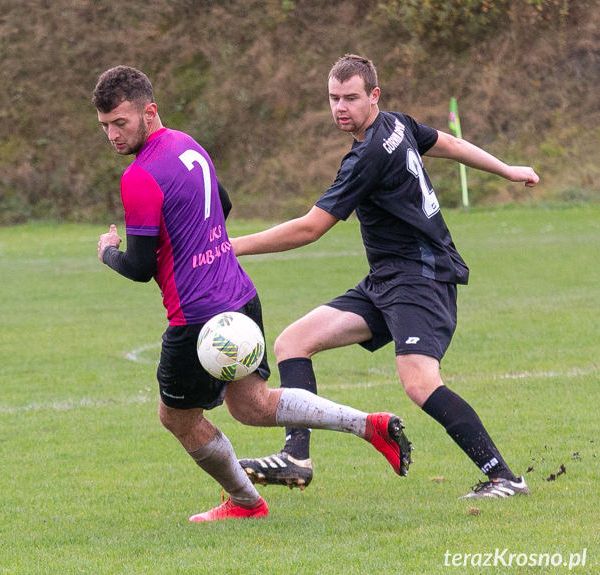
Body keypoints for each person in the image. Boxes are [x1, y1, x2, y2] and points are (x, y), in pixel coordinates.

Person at [92, 65, 413, 522]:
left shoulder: (139, 177)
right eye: (104, 127)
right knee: (252, 404)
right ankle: (368, 425)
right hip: (238, 294)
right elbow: (221, 204)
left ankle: (246, 503)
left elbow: (140, 267)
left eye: (120, 123)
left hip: (197, 316)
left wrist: (108, 251)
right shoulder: (187, 145)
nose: (113, 136)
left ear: (149, 111)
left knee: (176, 419)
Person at [233, 54, 539, 499]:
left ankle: (504, 478)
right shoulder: (396, 125)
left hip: (420, 278)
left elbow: (310, 228)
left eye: (351, 98)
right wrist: (507, 169)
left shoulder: (368, 155)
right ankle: (296, 457)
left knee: (419, 383)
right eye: (334, 98)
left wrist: (230, 245)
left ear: (373, 96)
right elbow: (447, 143)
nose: (341, 107)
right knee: (293, 342)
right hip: (386, 280)